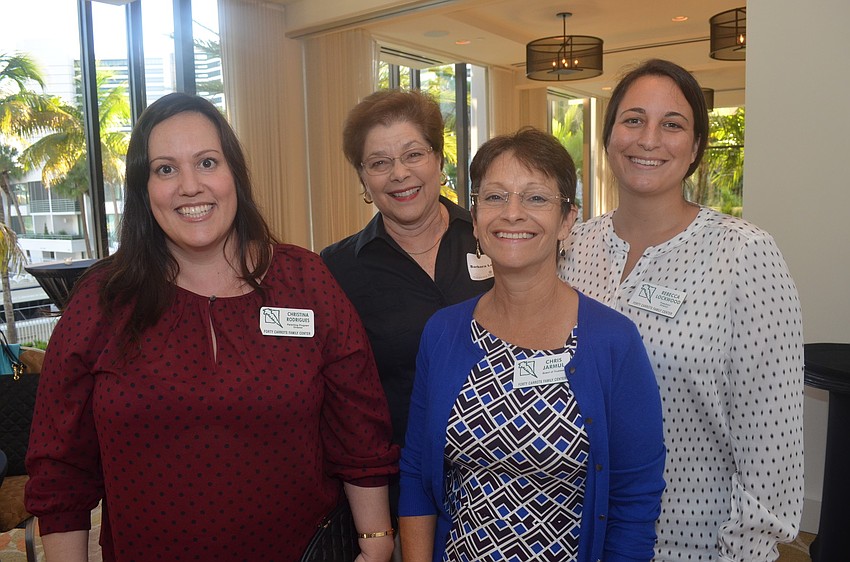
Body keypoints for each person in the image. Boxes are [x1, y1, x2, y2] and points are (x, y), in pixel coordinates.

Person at [25, 93, 398, 562]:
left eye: (206, 162)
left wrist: (376, 542)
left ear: (233, 175)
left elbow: (357, 423)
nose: (189, 186)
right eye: (165, 169)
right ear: (143, 188)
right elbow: (60, 465)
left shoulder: (304, 280)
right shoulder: (103, 299)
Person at [560, 59, 804, 561]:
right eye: (633, 120)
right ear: (609, 137)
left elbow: (771, 440)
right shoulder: (571, 247)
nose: (649, 139)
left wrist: (743, 551)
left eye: (672, 125)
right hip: (574, 532)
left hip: (693, 541)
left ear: (694, 148)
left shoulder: (744, 255)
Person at [399, 127, 666, 562]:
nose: (513, 213)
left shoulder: (613, 342)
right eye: (495, 197)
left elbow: (634, 500)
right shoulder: (443, 332)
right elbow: (416, 471)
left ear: (567, 221)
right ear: (476, 218)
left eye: (536, 198)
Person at [321, 89, 494, 515]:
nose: (399, 173)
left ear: (438, 160)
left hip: (505, 475)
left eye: (413, 154)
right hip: (398, 492)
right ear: (363, 179)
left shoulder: (495, 238)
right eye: (379, 163)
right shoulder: (336, 270)